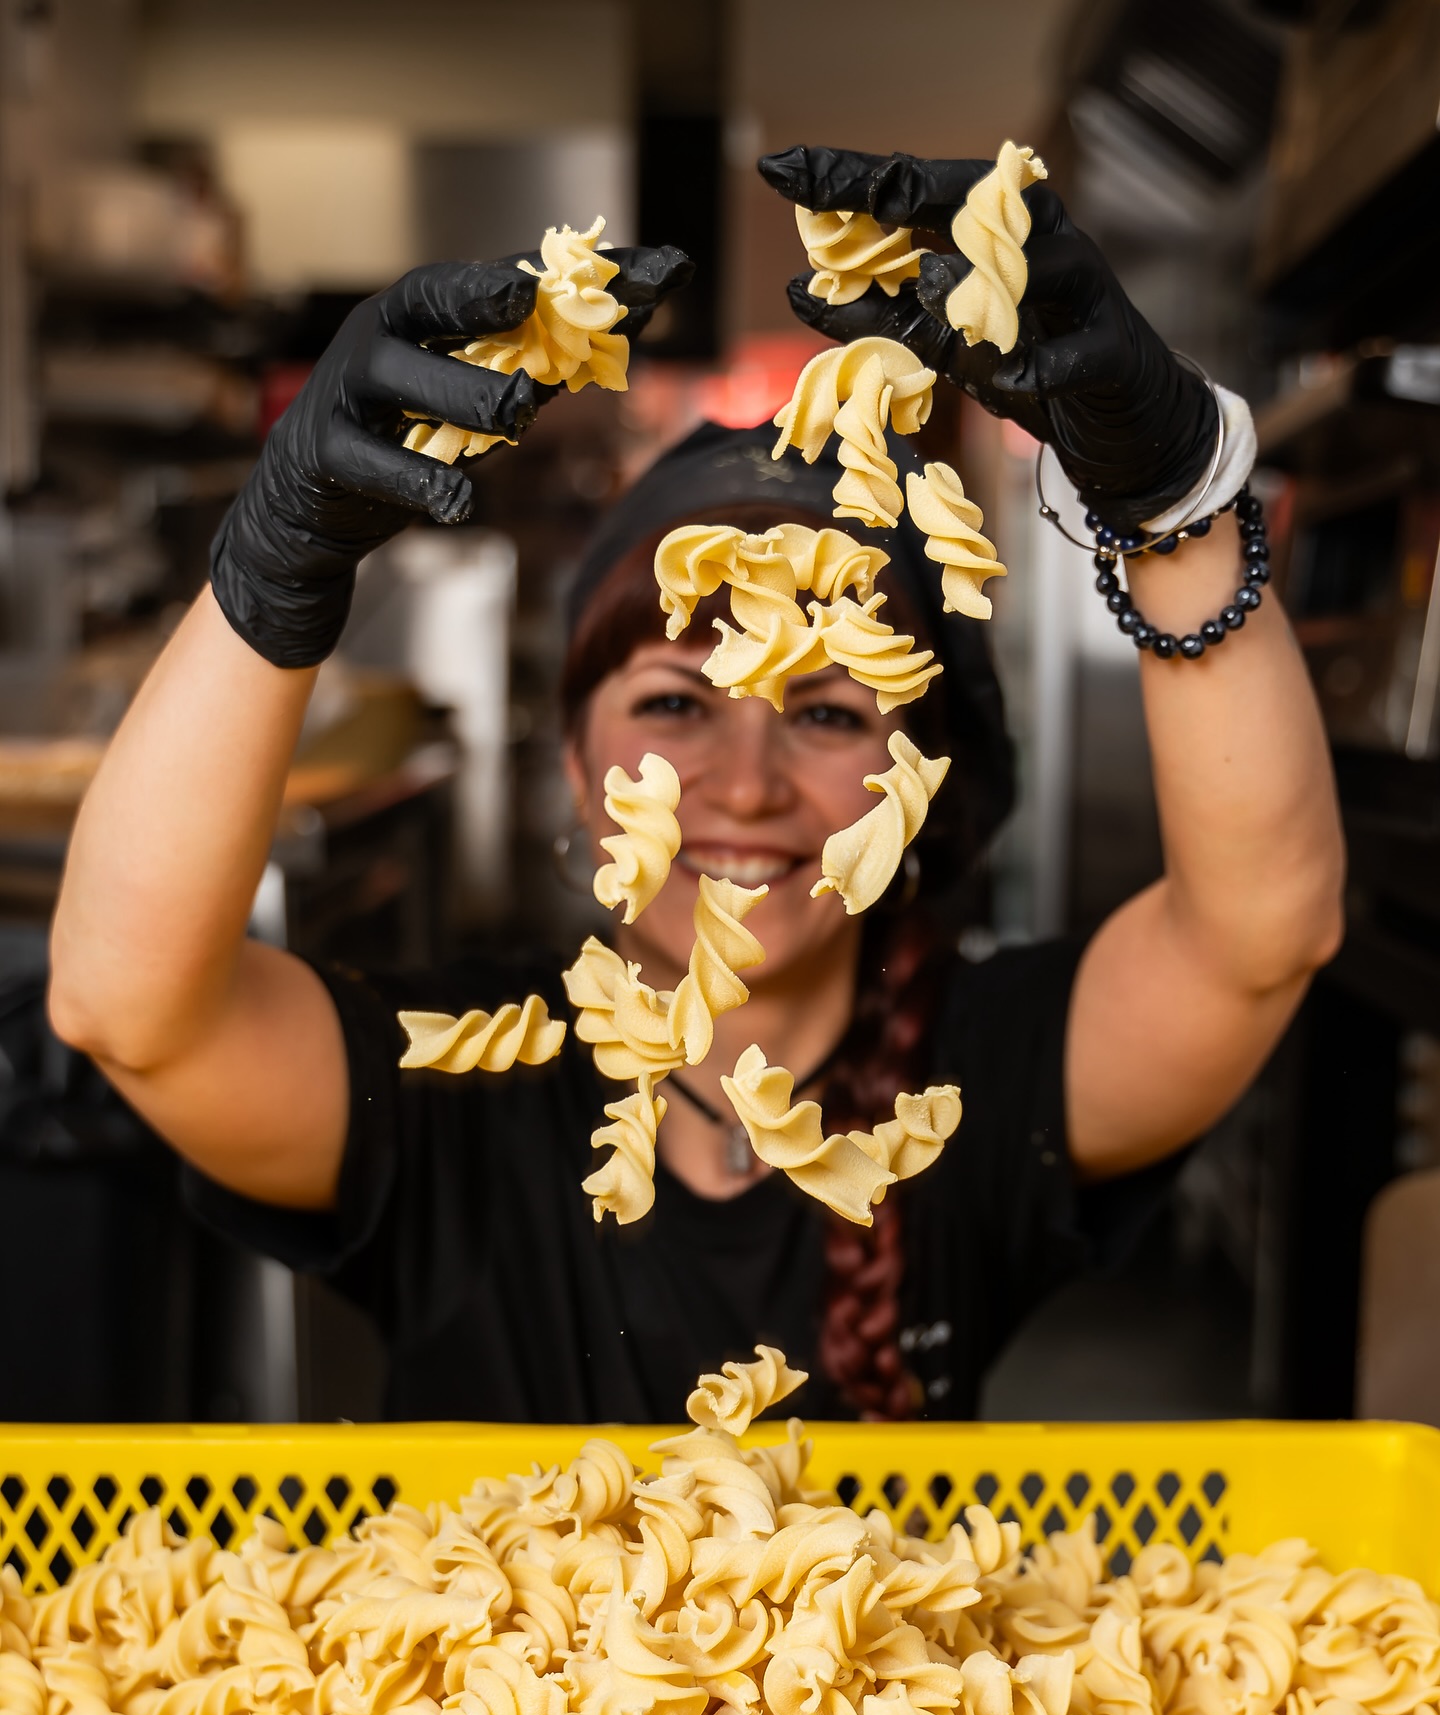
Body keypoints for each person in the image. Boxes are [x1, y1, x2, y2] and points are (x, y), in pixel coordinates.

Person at [48, 155, 1344, 1423]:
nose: (743, 784)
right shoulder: (456, 1087)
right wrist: (275, 562)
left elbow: (1259, 935)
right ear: (573, 760)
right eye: (674, 704)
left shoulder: (976, 1085)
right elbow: (125, 1008)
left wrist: (1175, 503)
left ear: (928, 786)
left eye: (831, 712)